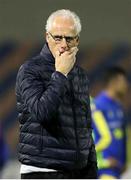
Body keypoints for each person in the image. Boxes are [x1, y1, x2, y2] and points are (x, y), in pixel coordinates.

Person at [15, 9, 97, 179]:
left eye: (69, 38)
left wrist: (91, 169)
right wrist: (60, 74)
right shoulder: (30, 70)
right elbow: (42, 112)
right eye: (57, 38)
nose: (64, 44)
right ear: (47, 37)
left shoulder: (80, 74)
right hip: (43, 171)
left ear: (77, 41)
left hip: (78, 172)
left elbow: (85, 127)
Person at [91, 66, 129, 179]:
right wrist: (103, 161)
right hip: (104, 169)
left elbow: (122, 137)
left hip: (117, 168)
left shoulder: (118, 106)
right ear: (114, 82)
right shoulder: (98, 106)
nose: (126, 85)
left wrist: (124, 162)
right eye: (123, 81)